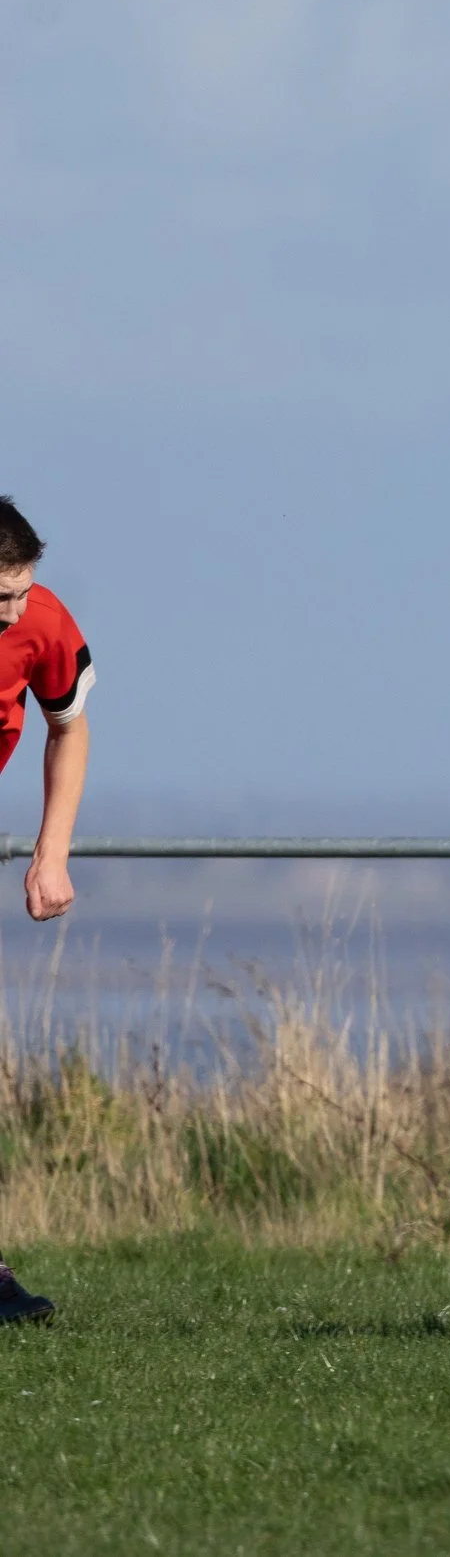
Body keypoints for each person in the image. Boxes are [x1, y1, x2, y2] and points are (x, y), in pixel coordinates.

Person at [0, 494, 95, 1328]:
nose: (17, 608)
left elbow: (69, 726)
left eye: (24, 588)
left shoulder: (43, 621)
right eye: (1, 597)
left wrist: (50, 850)